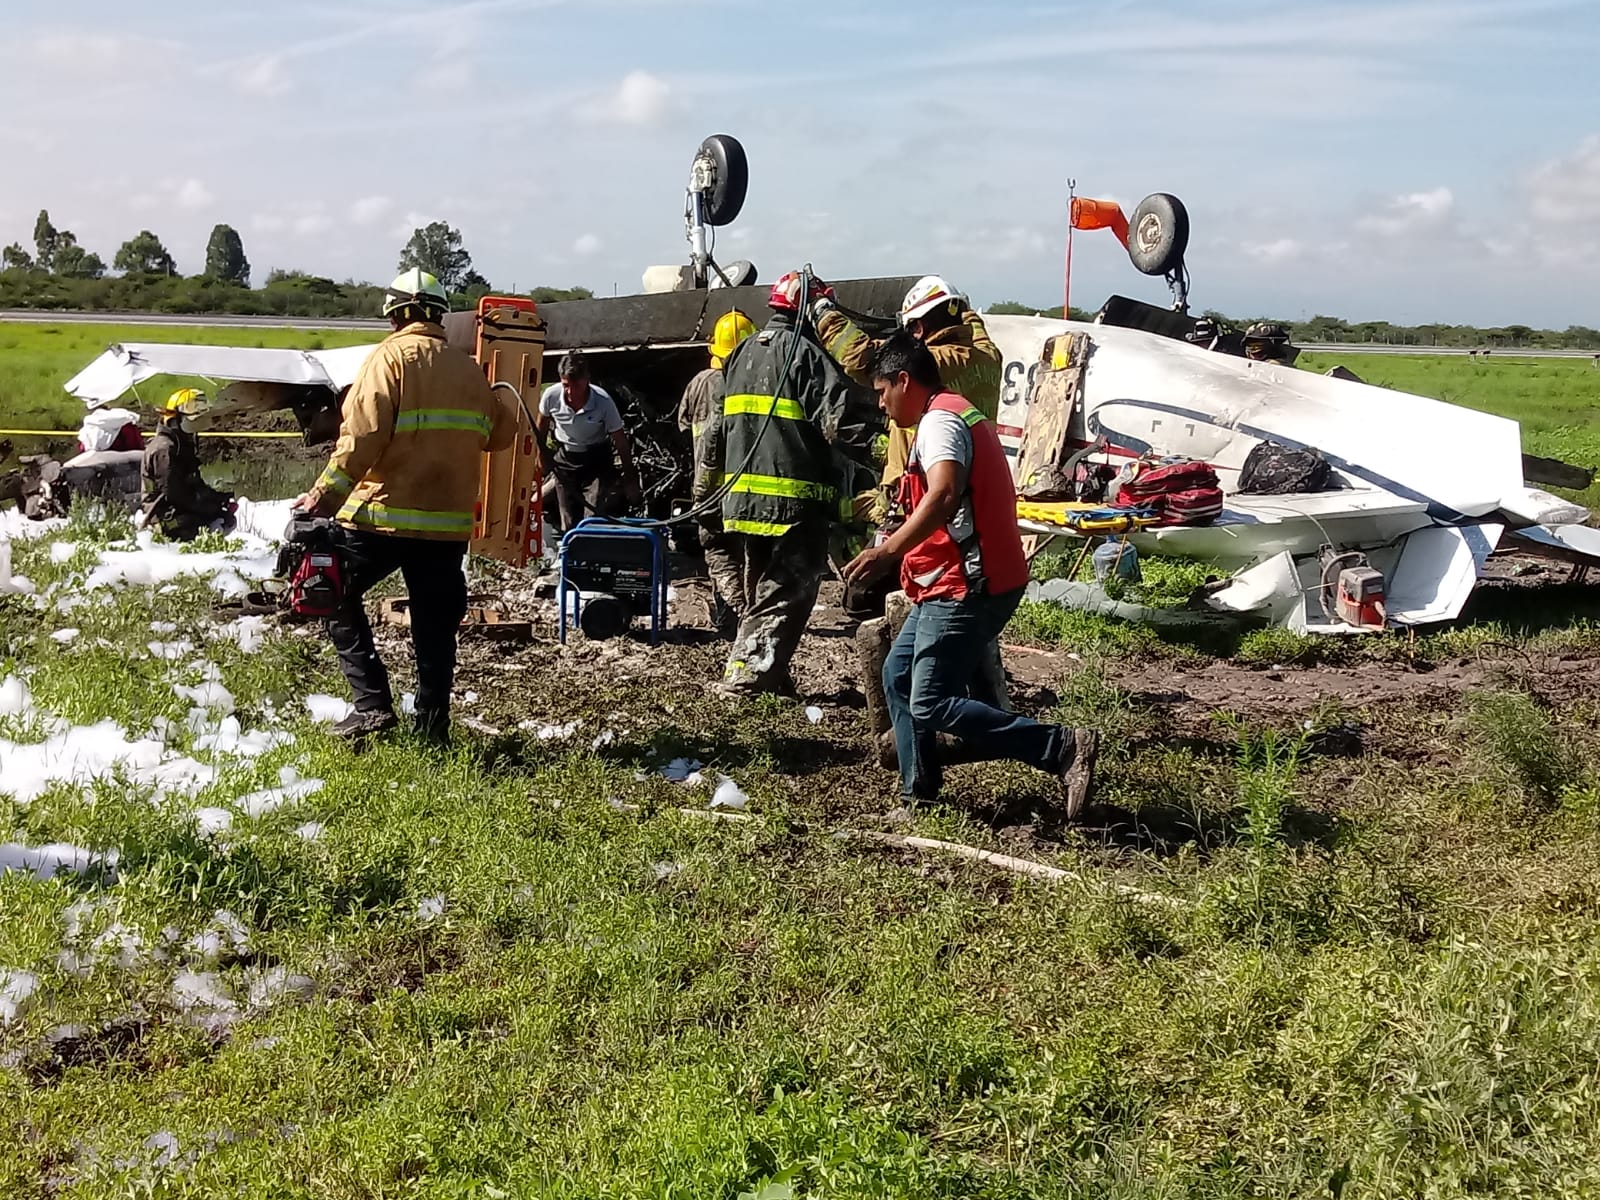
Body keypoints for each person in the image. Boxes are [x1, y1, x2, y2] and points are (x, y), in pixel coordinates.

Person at [844, 332, 1098, 816]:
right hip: (952, 580)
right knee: (898, 678)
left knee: (931, 700)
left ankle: (1060, 747)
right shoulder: (951, 413)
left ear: (904, 380)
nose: (880, 404)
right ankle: (917, 794)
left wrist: (889, 552)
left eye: (881, 392)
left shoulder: (939, 422)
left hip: (968, 585)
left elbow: (942, 495)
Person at [291, 268, 516, 744]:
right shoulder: (468, 369)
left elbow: (361, 439)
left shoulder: (387, 359)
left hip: (380, 519)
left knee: (334, 593)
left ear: (393, 313)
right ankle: (433, 726)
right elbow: (501, 435)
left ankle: (372, 705)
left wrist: (322, 499)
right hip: (445, 529)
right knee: (435, 628)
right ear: (438, 313)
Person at [717, 270, 879, 696]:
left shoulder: (741, 353)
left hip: (745, 501)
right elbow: (839, 424)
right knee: (789, 591)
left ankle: (768, 673)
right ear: (809, 311)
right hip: (794, 500)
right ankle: (748, 678)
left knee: (760, 590)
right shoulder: (805, 355)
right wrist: (883, 453)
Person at [812, 274, 1002, 516]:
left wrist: (822, 311)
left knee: (853, 527)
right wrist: (964, 309)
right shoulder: (988, 357)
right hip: (973, 494)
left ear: (918, 329)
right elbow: (976, 330)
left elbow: (864, 358)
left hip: (917, 498)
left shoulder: (927, 363)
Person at [678, 308, 757, 635]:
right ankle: (738, 613)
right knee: (740, 554)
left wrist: (700, 489)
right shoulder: (751, 384)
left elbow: (686, 429)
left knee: (719, 552)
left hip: (708, 489)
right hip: (742, 487)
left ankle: (731, 615)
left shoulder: (699, 383)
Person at [536, 351, 640, 534]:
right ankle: (568, 557)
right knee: (567, 519)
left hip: (596, 460)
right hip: (566, 459)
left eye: (576, 385)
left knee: (591, 518)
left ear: (586, 380)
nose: (570, 392)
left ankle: (590, 552)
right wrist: (541, 457)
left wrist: (630, 480)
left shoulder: (603, 401)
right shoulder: (551, 396)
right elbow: (540, 429)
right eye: (566, 385)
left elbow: (621, 442)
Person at [141, 389, 235, 541]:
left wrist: (216, 498)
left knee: (225, 518)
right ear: (174, 418)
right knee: (210, 522)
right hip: (165, 517)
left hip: (182, 508)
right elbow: (174, 493)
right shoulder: (164, 449)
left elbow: (192, 484)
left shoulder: (180, 444)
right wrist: (209, 508)